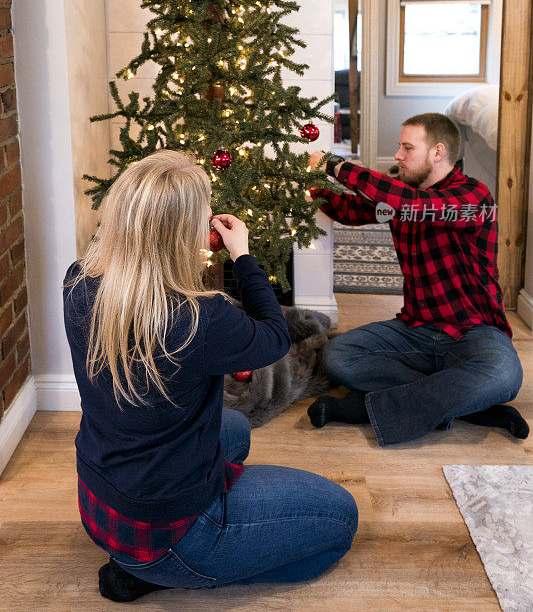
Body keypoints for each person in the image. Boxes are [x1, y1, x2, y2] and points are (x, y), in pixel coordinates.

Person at [63, 150, 357, 602]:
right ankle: (166, 570)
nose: (210, 224)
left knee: (235, 427)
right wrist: (242, 255)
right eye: (203, 217)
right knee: (339, 521)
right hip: (169, 529)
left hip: (101, 501)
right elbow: (275, 337)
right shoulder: (201, 318)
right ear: (181, 235)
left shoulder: (78, 281)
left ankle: (140, 561)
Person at [306, 113, 528, 446]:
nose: (397, 156)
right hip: (416, 330)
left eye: (407, 148)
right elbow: (350, 211)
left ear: (438, 152)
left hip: (474, 331)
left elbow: (418, 206)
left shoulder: (473, 197)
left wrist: (334, 165)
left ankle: (365, 409)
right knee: (338, 356)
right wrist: (302, 187)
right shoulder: (403, 198)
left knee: (504, 374)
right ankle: (470, 408)